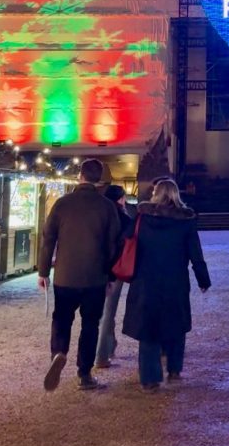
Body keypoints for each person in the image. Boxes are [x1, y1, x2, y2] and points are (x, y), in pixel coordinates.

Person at [38, 159, 121, 391]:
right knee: (90, 324)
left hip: (65, 275)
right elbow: (113, 244)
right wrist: (110, 274)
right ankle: (84, 374)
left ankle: (59, 352)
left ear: (80, 176)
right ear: (99, 179)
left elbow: (48, 240)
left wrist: (43, 271)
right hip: (95, 276)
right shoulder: (107, 207)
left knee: (62, 318)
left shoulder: (62, 204)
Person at [122, 177, 211, 391]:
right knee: (176, 323)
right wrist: (203, 279)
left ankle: (150, 378)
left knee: (148, 327)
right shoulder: (186, 220)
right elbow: (195, 254)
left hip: (146, 279)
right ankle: (174, 369)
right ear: (176, 195)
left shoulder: (142, 218)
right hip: (175, 279)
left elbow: (127, 239)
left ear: (156, 194)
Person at [95, 184, 135, 369]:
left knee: (100, 311)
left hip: (95, 268)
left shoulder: (99, 215)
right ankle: (102, 354)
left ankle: (109, 346)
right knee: (108, 312)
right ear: (120, 199)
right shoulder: (124, 218)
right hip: (115, 270)